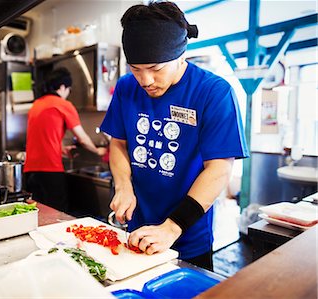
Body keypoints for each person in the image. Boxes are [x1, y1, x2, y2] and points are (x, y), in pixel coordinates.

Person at [100, 1, 249, 271]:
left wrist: (172, 227)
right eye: (136, 69)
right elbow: (118, 143)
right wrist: (123, 186)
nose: (145, 80)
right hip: (136, 231)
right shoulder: (125, 87)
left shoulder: (214, 92)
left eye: (156, 68)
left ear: (182, 54)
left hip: (187, 235)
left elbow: (218, 170)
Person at [24, 67, 107, 212]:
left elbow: (42, 138)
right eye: (69, 89)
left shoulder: (36, 105)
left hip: (30, 171)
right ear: (62, 87)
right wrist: (98, 151)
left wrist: (60, 150)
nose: (68, 93)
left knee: (37, 214)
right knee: (56, 215)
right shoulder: (62, 104)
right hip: (50, 170)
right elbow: (82, 138)